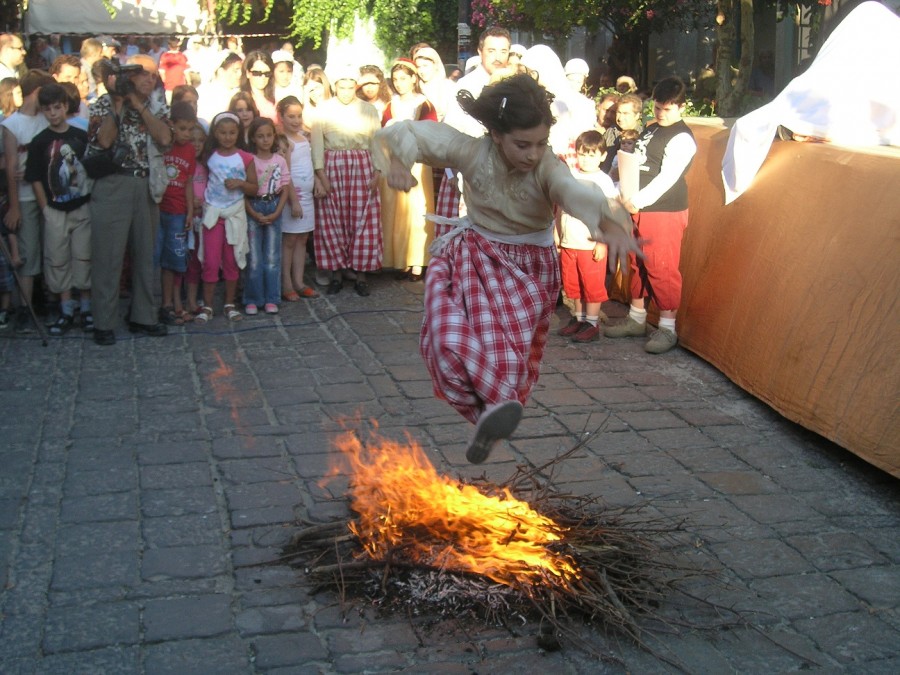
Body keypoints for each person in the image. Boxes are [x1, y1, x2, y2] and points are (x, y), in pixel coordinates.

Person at [372, 73, 638, 463]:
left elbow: (573, 190)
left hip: (526, 272)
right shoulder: (471, 151)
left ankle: (495, 408)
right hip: (472, 258)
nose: (532, 153)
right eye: (522, 144)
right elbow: (412, 134)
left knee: (503, 355)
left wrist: (606, 219)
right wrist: (401, 162)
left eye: (541, 143)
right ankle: (487, 417)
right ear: (496, 134)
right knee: (444, 341)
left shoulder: (547, 167)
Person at [604, 77, 696, 355]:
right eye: (657, 108)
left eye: (667, 109)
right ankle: (637, 318)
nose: (660, 114)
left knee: (662, 267)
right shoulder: (651, 129)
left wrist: (638, 200)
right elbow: (635, 163)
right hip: (637, 206)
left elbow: (667, 177)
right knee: (638, 262)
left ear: (680, 107)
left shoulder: (682, 138)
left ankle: (668, 328)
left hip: (663, 210)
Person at [86, 54, 172, 346]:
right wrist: (119, 104)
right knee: (108, 257)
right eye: (146, 74)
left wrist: (139, 106)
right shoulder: (102, 103)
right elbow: (103, 142)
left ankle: (144, 316)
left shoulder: (157, 105)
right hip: (113, 184)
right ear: (129, 75)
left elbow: (164, 138)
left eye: (154, 75)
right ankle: (104, 321)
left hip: (146, 183)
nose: (152, 80)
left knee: (146, 255)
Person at [25, 82, 93, 336]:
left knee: (83, 256)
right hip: (55, 208)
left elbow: (89, 170)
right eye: (48, 109)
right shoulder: (39, 141)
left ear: (66, 107)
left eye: (57, 107)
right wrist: (45, 208)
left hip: (80, 205)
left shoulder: (79, 136)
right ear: (42, 111)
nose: (53, 113)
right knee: (58, 259)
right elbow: (34, 177)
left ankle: (86, 308)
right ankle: (66, 309)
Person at [311, 66, 382, 297]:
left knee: (362, 219)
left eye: (351, 87)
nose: (346, 92)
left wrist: (377, 172)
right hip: (334, 165)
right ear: (334, 86)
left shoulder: (368, 110)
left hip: (362, 165)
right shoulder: (324, 110)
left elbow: (377, 143)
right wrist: (321, 174)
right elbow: (317, 144)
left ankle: (361, 275)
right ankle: (336, 274)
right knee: (333, 219)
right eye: (341, 87)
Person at [3, 69, 54, 333]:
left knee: (49, 248)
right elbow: (11, 166)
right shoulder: (12, 124)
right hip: (23, 195)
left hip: (46, 193)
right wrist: (14, 206)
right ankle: (25, 307)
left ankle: (47, 299)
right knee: (28, 251)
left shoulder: (47, 121)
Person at [555, 130, 618, 344]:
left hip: (590, 243)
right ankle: (579, 318)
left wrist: (602, 242)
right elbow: (561, 207)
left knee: (591, 284)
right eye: (582, 154)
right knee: (573, 284)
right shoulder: (570, 176)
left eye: (591, 155)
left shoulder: (603, 181)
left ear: (601, 155)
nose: (586, 159)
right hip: (569, 239)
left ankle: (592, 322)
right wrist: (557, 232)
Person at [195, 111, 257, 323]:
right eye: (223, 132)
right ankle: (208, 304)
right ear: (215, 133)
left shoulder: (245, 157)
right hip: (213, 213)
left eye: (232, 133)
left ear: (238, 133)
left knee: (232, 259)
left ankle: (230, 303)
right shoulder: (209, 156)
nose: (227, 137)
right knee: (211, 261)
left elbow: (254, 187)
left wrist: (240, 183)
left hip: (234, 214)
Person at [380, 58, 437, 281]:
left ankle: (417, 259)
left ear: (414, 79)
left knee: (416, 209)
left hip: (416, 162)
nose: (399, 83)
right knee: (397, 210)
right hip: (394, 159)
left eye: (404, 78)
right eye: (395, 79)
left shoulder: (424, 104)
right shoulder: (390, 105)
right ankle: (399, 258)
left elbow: (429, 131)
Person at [155, 101, 196, 326]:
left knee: (175, 259)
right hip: (160, 208)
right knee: (158, 257)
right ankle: (164, 303)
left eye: (190, 129)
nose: (186, 134)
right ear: (171, 125)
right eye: (182, 129)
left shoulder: (189, 150)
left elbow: (188, 182)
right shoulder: (163, 146)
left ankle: (172, 303)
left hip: (178, 211)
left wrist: (190, 210)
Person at [243, 116, 289, 315]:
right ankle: (253, 298)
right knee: (253, 257)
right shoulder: (248, 160)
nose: (265, 140)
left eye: (269, 135)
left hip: (274, 204)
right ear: (253, 138)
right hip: (254, 204)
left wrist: (278, 211)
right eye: (260, 136)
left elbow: (285, 186)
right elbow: (243, 191)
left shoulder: (279, 160)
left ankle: (271, 297)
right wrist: (252, 212)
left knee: (272, 256)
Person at [277, 95, 317, 300]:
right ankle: (286, 283)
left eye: (299, 116)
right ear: (281, 117)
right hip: (294, 197)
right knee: (290, 240)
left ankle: (299, 281)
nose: (295, 120)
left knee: (302, 238)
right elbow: (286, 172)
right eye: (290, 116)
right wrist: (293, 200)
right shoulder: (285, 141)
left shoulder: (304, 137)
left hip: (307, 197)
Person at [196, 51, 242, 124]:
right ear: (221, 71)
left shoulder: (239, 93)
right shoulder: (204, 93)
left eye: (241, 71)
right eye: (235, 70)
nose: (240, 74)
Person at [411, 45, 453, 121]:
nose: (422, 71)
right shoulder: (415, 88)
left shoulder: (448, 87)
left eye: (425, 66)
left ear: (435, 65)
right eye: (418, 67)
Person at [240, 50, 277, 121]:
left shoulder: (276, 98)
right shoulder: (240, 100)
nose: (262, 77)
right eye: (257, 73)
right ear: (248, 73)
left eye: (267, 73)